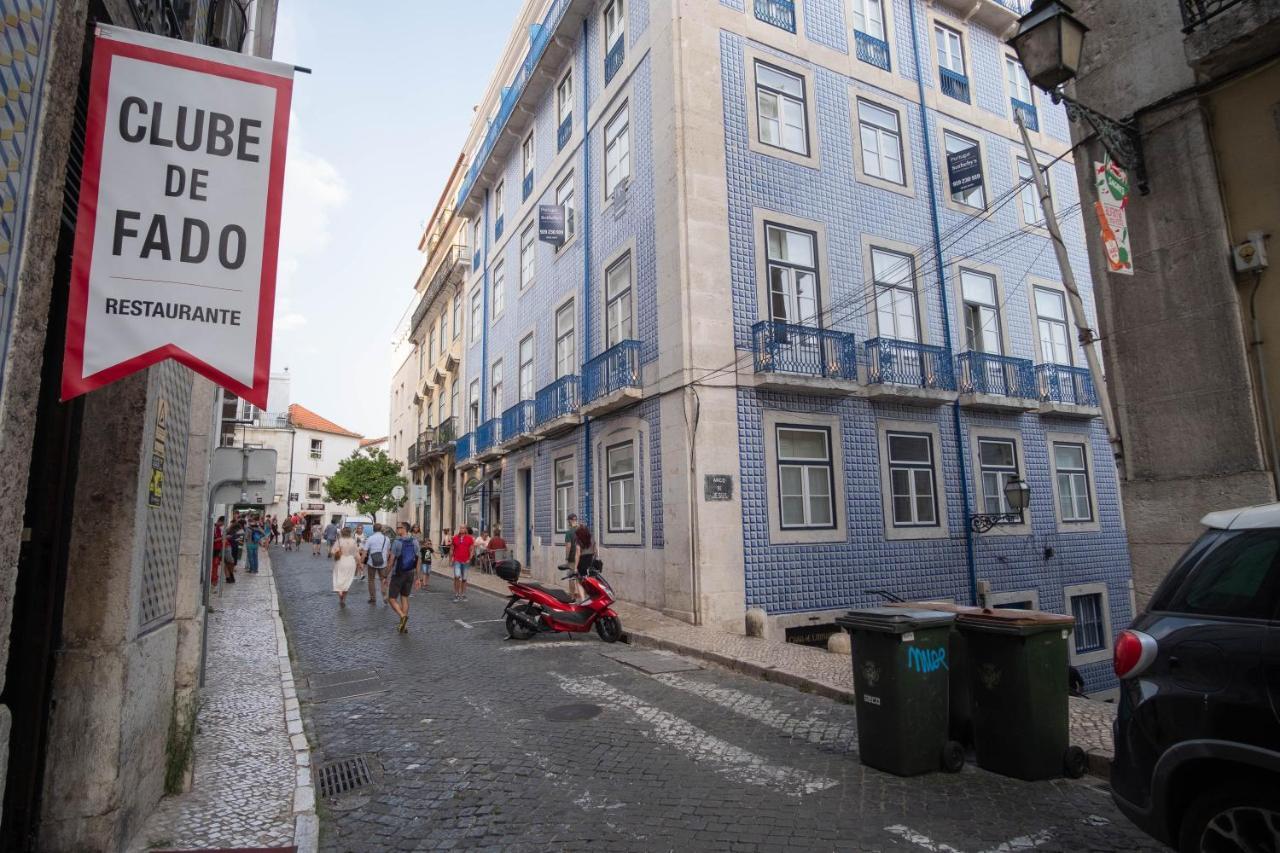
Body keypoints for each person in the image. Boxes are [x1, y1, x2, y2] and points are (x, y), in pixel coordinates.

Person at [387, 522, 419, 633]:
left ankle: (402, 616)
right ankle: (403, 626)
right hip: (410, 572)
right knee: (404, 597)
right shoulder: (415, 541)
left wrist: (386, 575)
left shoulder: (397, 542)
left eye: (399, 527)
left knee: (391, 599)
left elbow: (391, 561)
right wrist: (418, 577)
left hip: (398, 573)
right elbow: (418, 559)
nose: (397, 529)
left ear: (404, 529)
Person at [568, 517, 597, 604]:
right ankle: (591, 598)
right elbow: (595, 550)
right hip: (590, 560)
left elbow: (577, 554)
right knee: (590, 581)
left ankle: (583, 600)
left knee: (579, 581)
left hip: (582, 561)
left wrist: (576, 567)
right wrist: (593, 559)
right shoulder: (591, 538)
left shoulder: (578, 540)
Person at [361, 523, 391, 605]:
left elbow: (365, 552)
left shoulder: (370, 538)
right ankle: (385, 596)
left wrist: (361, 562)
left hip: (372, 562)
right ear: (381, 529)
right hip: (383, 562)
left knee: (371, 580)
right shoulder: (386, 539)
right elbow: (388, 552)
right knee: (383, 579)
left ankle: (373, 598)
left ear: (373, 529)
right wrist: (386, 560)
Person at [330, 527, 358, 607]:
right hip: (351, 561)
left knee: (339, 578)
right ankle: (343, 600)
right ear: (350, 533)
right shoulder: (353, 541)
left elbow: (332, 552)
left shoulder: (339, 541)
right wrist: (360, 564)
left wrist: (337, 551)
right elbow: (356, 554)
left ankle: (340, 593)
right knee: (347, 580)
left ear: (342, 533)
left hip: (340, 561)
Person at [451, 525, 475, 602]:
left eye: (464, 528)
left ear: (466, 530)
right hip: (457, 560)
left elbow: (472, 549)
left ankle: (463, 594)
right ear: (459, 529)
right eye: (461, 528)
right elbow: (452, 549)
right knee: (457, 576)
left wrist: (470, 558)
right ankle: (457, 594)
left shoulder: (469, 538)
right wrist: (451, 558)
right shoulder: (455, 538)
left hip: (465, 561)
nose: (462, 529)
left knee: (464, 579)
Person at [414, 525, 433, 590]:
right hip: (413, 551)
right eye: (415, 527)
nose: (416, 528)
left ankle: (421, 579)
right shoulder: (411, 535)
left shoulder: (421, 535)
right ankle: (419, 578)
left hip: (420, 552)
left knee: (421, 567)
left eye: (417, 527)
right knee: (416, 567)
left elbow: (422, 543)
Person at [211, 516, 225, 586]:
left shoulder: (218, 528)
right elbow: (213, 540)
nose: (223, 525)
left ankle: (215, 578)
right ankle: (213, 580)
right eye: (223, 523)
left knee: (216, 565)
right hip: (214, 549)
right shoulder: (214, 528)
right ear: (220, 521)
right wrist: (223, 537)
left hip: (218, 549)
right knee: (214, 565)